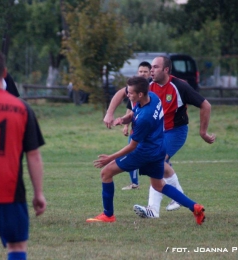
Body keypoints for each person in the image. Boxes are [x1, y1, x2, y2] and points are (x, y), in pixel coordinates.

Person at [103, 55, 215, 218]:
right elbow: (125, 95)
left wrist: (203, 132)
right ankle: (185, 204)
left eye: (155, 67)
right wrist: (113, 114)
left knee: (111, 171)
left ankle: (151, 210)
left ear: (166, 70)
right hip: (157, 135)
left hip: (174, 132)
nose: (151, 70)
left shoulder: (179, 87)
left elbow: (206, 105)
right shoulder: (150, 90)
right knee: (160, 174)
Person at [86, 76, 205, 225]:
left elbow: (132, 146)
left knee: (106, 173)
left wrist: (109, 158)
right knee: (159, 185)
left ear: (140, 94)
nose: (127, 95)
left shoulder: (145, 119)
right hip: (158, 149)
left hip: (143, 152)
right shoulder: (153, 97)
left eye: (130, 93)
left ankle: (108, 215)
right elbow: (134, 114)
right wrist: (123, 119)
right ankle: (195, 207)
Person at [0, 50, 46, 260]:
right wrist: (38, 193)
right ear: (5, 72)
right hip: (10, 191)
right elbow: (33, 156)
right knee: (16, 247)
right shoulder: (22, 108)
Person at [122, 61, 152, 190]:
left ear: (150, 73)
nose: (143, 74)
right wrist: (125, 126)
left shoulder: (153, 87)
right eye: (140, 71)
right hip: (136, 128)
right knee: (131, 152)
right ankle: (134, 183)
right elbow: (130, 108)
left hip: (150, 128)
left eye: (145, 71)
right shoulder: (133, 89)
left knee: (157, 155)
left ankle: (165, 179)